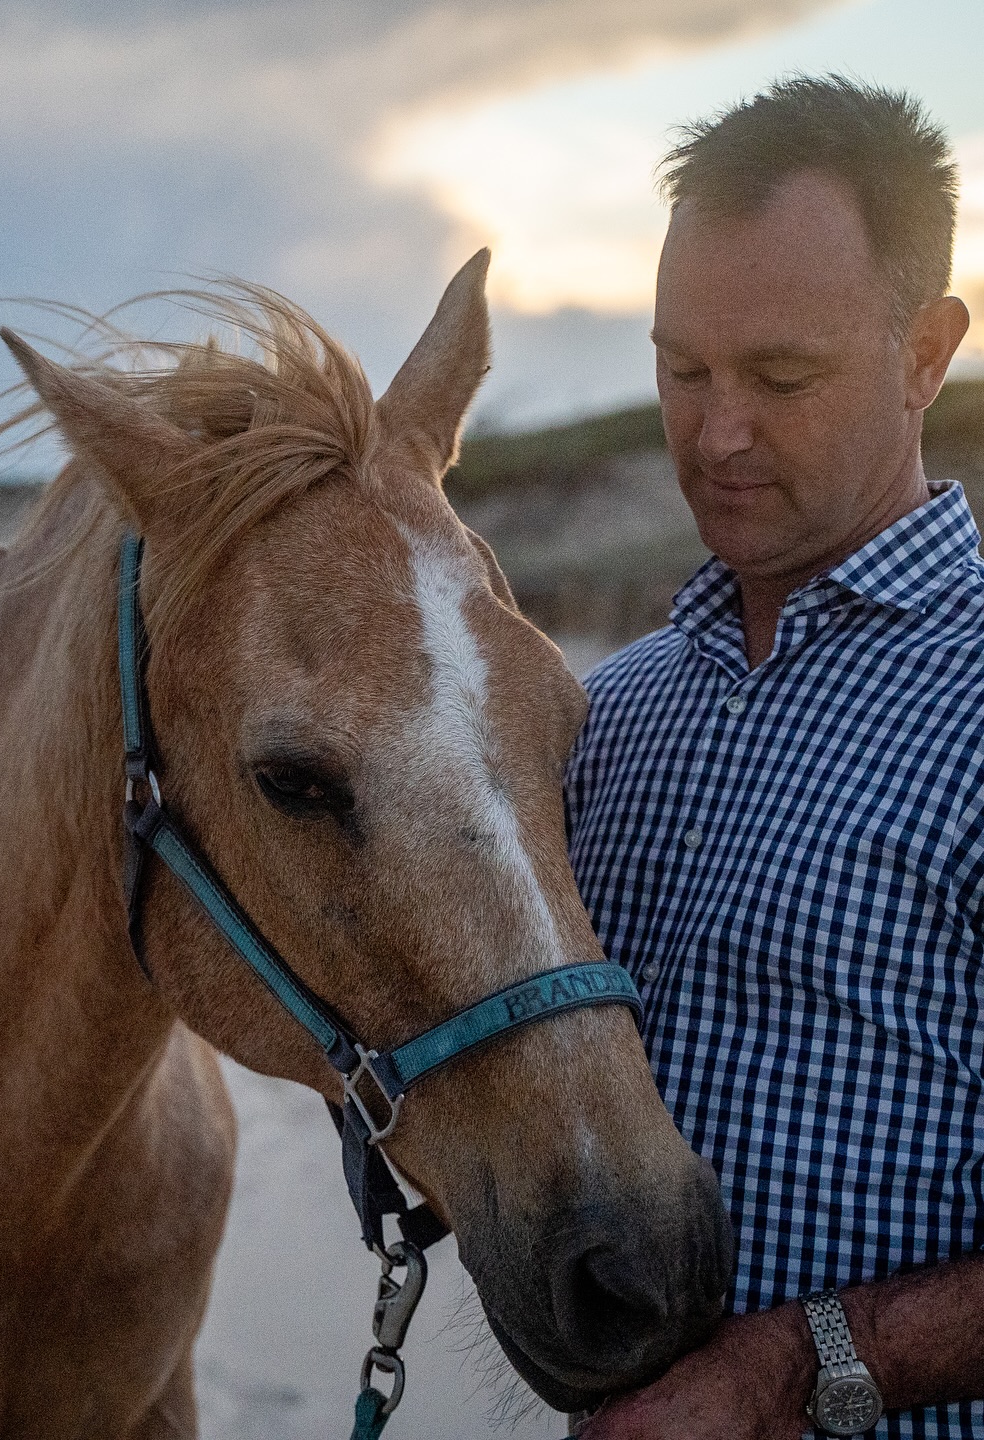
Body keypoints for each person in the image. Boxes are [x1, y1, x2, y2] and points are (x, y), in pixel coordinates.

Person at [565, 76, 984, 1439]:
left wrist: (795, 1371)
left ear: (925, 353)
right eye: (682, 371)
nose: (717, 433)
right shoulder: (605, 718)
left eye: (782, 378)